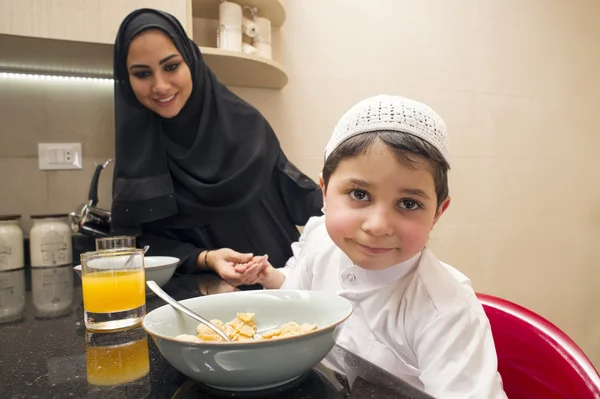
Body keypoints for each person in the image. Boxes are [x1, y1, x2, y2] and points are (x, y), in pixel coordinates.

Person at [237, 95, 508, 397]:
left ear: (437, 213)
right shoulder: (321, 241)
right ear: (325, 192)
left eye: (408, 203)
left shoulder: (445, 310)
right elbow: (296, 308)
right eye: (359, 194)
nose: (378, 225)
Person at [109, 8, 322, 286]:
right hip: (204, 302)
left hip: (281, 283)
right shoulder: (139, 151)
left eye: (171, 66)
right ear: (127, 80)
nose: (160, 85)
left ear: (191, 61)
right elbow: (141, 247)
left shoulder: (244, 122)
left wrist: (360, 202)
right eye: (142, 73)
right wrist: (206, 257)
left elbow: (297, 195)